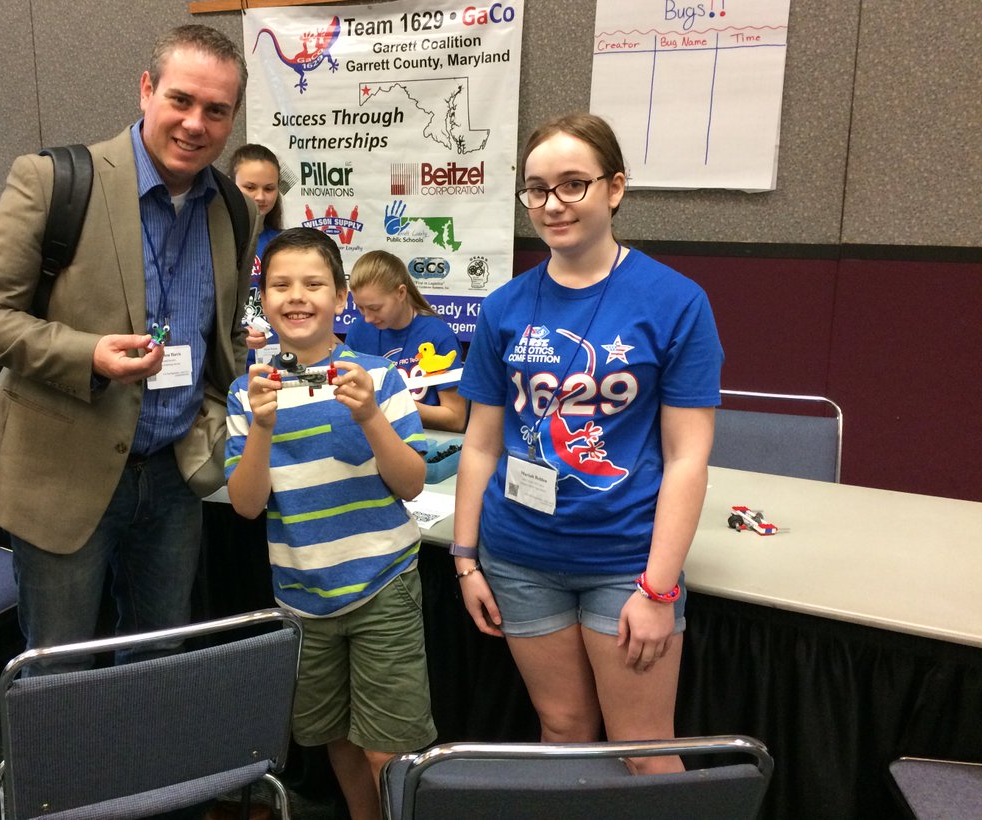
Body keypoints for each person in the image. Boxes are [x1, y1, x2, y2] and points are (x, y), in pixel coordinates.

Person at [0, 24, 261, 673]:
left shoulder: (235, 208)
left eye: (216, 110)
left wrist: (215, 405)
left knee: (157, 654)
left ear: (232, 119)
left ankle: (138, 774)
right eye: (180, 99)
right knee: (59, 665)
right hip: (62, 471)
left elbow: (225, 329)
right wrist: (87, 355)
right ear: (147, 90)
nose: (195, 123)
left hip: (174, 479)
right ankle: (60, 776)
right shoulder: (55, 182)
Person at [452, 113, 723, 774]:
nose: (553, 205)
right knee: (562, 726)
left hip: (625, 562)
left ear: (615, 188)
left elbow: (689, 458)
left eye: (574, 184)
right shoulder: (505, 307)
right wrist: (464, 559)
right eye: (537, 189)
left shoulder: (675, 303)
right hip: (518, 557)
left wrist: (658, 591)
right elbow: (482, 442)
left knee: (644, 747)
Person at [225, 228, 436, 820]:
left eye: (314, 284)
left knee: (388, 750)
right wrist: (262, 429)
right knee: (336, 735)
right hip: (301, 595)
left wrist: (370, 414)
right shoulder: (249, 393)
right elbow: (245, 503)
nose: (297, 296)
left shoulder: (379, 378)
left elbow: (411, 482)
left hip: (381, 586)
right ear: (262, 300)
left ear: (341, 297)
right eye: (281, 285)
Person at [345, 251, 468, 432]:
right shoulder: (359, 331)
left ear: (401, 293)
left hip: (426, 443)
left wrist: (389, 403)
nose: (368, 318)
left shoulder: (438, 335)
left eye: (375, 308)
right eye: (360, 308)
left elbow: (455, 418)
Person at [231, 143, 284, 364]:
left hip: (279, 361)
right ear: (231, 185)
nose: (260, 197)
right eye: (250, 187)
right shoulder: (215, 241)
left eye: (269, 188)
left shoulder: (284, 243)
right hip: (231, 363)